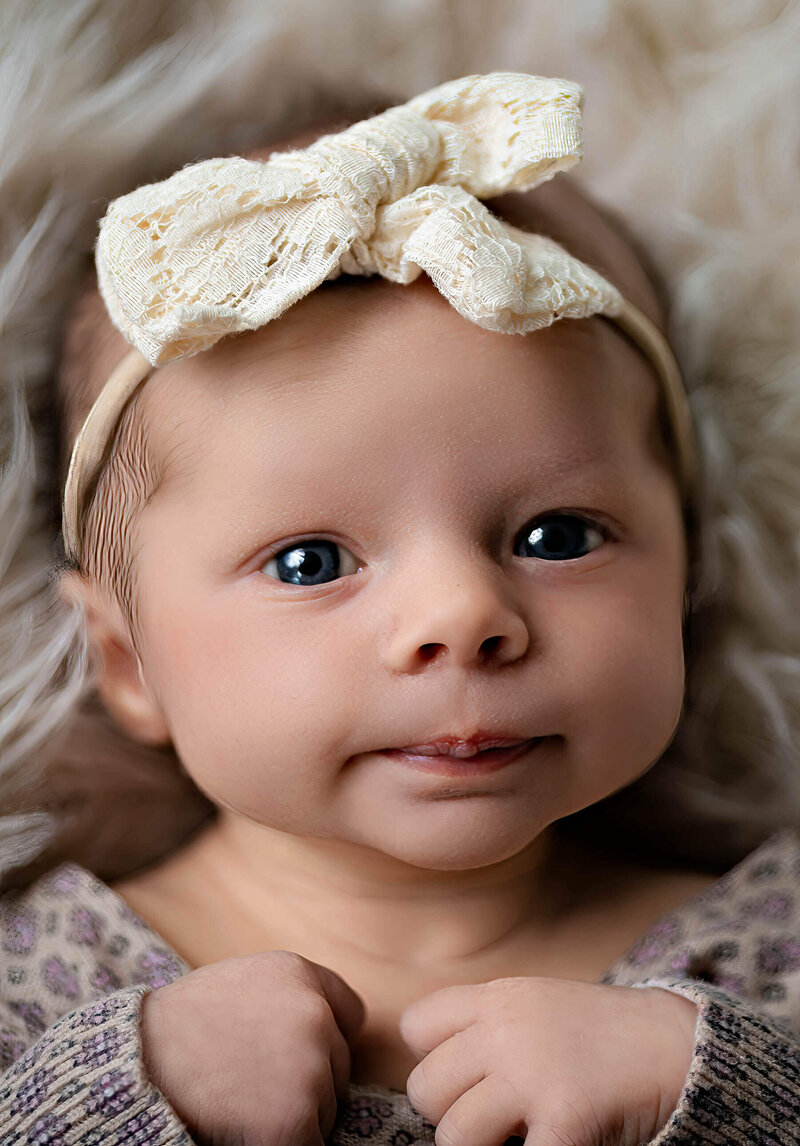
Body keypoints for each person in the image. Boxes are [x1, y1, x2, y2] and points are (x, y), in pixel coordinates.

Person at [1, 72, 798, 1146]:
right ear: (126, 661)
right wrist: (106, 1107)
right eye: (310, 561)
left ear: (686, 578)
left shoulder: (769, 951)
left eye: (555, 536)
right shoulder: (39, 987)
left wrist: (723, 1097)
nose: (463, 614)